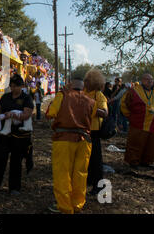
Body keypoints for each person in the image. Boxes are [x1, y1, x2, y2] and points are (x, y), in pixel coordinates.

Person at [45, 78, 96, 214]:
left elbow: (50, 113)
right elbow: (95, 117)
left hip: (64, 139)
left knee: (63, 173)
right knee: (80, 174)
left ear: (71, 84)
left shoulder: (63, 95)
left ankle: (65, 207)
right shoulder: (90, 99)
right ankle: (77, 204)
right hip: (84, 140)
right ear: (83, 87)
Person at [0, 74, 33, 195]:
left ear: (21, 86)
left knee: (16, 161)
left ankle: (14, 188)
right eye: (11, 86)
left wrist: (13, 115)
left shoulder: (26, 98)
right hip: (3, 134)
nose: (13, 88)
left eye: (16, 86)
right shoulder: (5, 97)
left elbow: (27, 115)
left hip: (19, 135)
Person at [121, 73, 154, 169]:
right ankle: (133, 162)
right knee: (136, 143)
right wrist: (130, 116)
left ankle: (146, 162)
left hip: (153, 124)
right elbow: (124, 104)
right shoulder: (134, 91)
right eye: (147, 79)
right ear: (142, 80)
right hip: (138, 123)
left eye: (151, 79)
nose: (149, 81)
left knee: (150, 145)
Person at [83, 70, 108, 196]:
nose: (85, 82)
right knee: (85, 158)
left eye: (87, 80)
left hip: (94, 131)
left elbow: (104, 112)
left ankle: (99, 186)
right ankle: (89, 180)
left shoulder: (99, 95)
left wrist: (90, 108)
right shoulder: (82, 93)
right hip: (83, 129)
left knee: (96, 160)